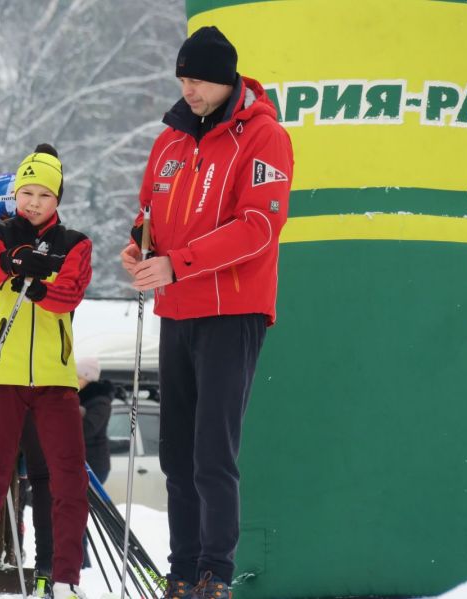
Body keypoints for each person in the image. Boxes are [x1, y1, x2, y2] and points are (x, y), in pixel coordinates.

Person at [120, 26, 293, 599]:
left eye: (196, 80)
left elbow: (258, 227)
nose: (187, 89)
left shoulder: (263, 137)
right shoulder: (169, 139)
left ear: (224, 79)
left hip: (232, 310)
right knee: (175, 452)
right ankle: (182, 572)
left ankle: (215, 575)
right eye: (182, 79)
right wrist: (140, 245)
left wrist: (178, 263)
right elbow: (150, 211)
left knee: (212, 453)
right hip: (178, 310)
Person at [0, 144, 92, 599]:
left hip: (55, 377)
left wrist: (38, 288)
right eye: (25, 192)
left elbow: (69, 294)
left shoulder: (75, 242)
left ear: (57, 200)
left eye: (43, 195)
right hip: (3, 371)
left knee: (68, 477)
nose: (32, 202)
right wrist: (12, 263)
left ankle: (67, 578)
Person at [76, 357, 111, 485]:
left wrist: (73, 411)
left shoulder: (101, 401)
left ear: (88, 378)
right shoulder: (75, 396)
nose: (75, 381)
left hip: (94, 465)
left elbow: (88, 428)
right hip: (78, 461)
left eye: (78, 377)